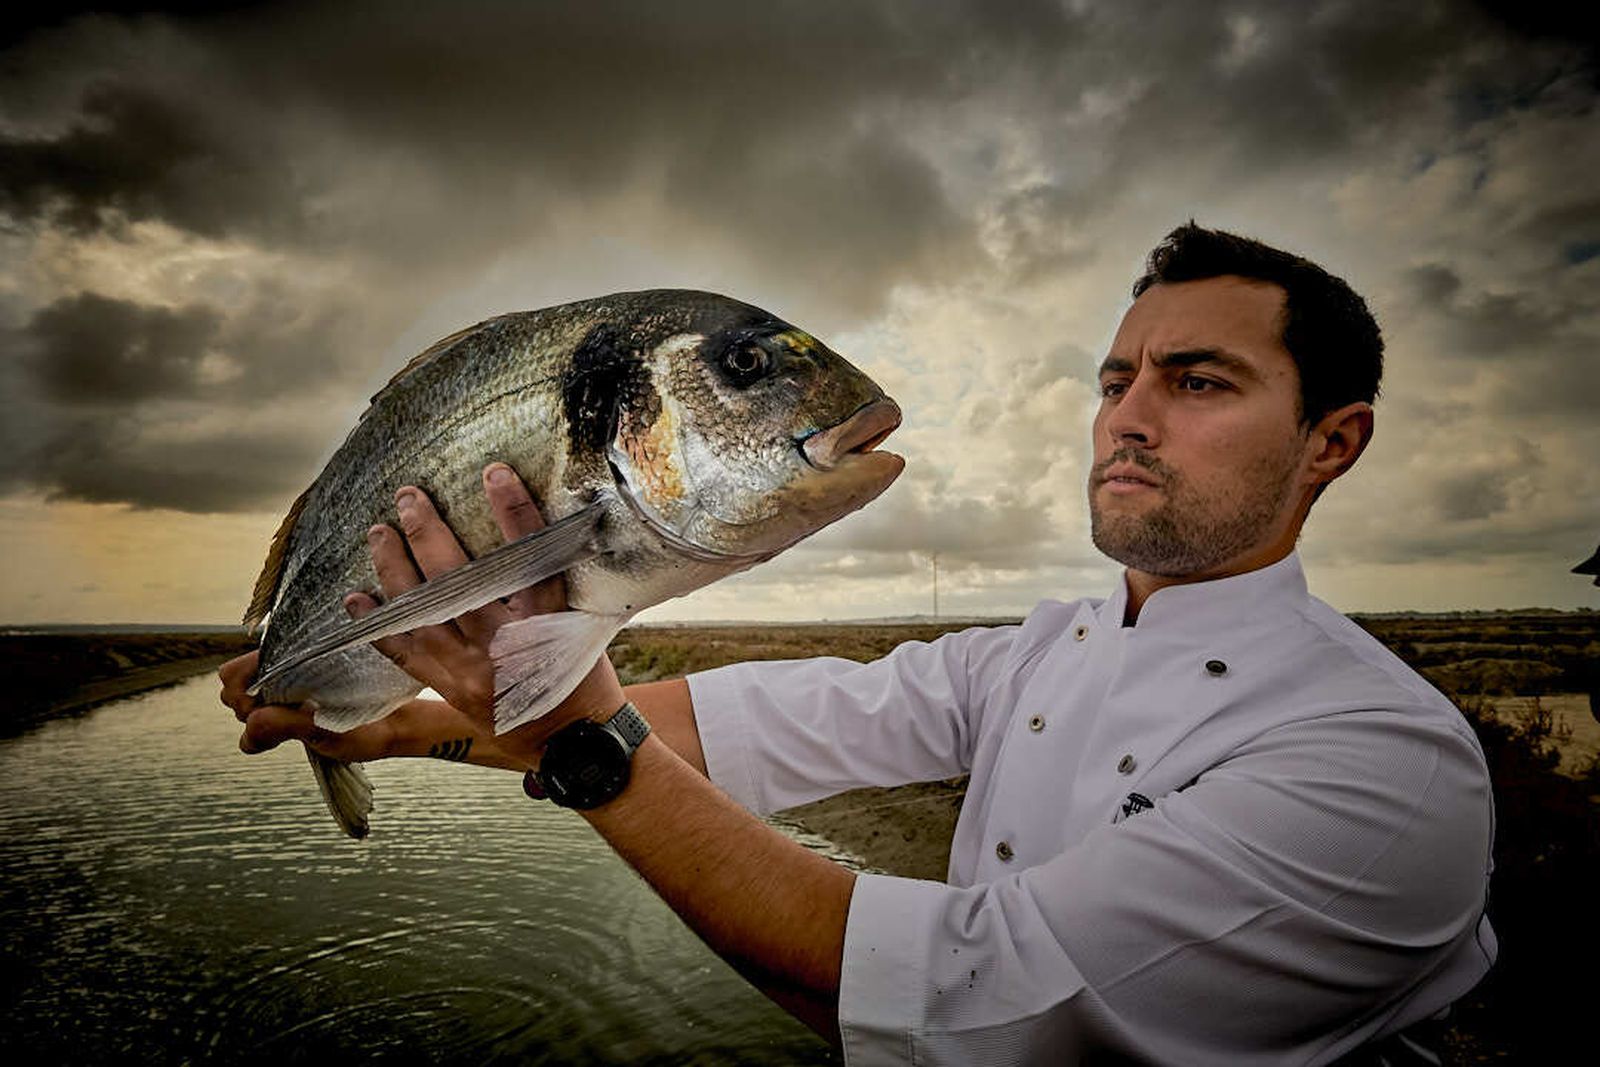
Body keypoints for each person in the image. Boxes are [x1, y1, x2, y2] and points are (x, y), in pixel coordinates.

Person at [221, 224, 1497, 1065]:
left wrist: (577, 744)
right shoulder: (1033, 656)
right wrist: (372, 724)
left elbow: (980, 1006)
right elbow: (723, 728)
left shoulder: (1382, 762)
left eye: (1199, 381)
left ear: (1332, 440)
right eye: (1116, 381)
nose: (1130, 418)